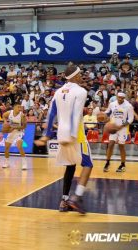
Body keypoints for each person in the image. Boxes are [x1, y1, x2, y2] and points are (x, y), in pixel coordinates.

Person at [35, 64, 93, 214]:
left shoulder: (58, 91)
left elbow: (52, 113)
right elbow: (75, 113)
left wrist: (47, 135)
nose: (81, 76)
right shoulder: (81, 91)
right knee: (88, 165)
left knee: (70, 165)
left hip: (61, 134)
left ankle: (64, 200)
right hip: (75, 134)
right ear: (74, 76)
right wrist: (72, 134)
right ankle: (77, 197)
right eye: (79, 74)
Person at [103, 93, 134, 173]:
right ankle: (107, 162)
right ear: (117, 97)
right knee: (110, 144)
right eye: (119, 97)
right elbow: (107, 112)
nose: (120, 99)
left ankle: (123, 164)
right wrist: (103, 115)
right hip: (113, 127)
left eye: (122, 98)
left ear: (124, 98)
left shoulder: (129, 106)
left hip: (123, 128)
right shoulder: (112, 104)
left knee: (121, 146)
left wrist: (121, 126)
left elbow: (130, 119)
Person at [2, 104, 28, 170]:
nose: (19, 108)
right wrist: (5, 122)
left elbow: (24, 126)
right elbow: (4, 116)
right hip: (11, 131)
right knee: (6, 147)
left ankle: (24, 163)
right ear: (14, 107)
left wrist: (13, 127)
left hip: (20, 131)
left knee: (19, 146)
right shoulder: (9, 113)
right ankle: (6, 162)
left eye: (20, 107)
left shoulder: (22, 115)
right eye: (18, 107)